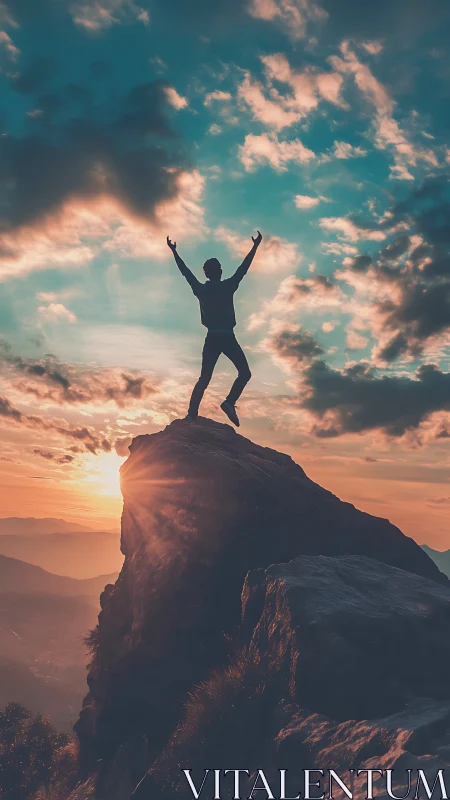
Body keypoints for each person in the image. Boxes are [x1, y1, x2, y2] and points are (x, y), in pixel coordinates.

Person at [166, 231, 263, 427]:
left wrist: (174, 252)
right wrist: (255, 247)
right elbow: (243, 268)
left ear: (207, 273)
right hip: (227, 337)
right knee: (244, 373)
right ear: (217, 271)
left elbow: (185, 272)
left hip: (212, 338)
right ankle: (228, 402)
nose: (220, 269)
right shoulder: (228, 286)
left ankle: (192, 415)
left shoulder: (200, 289)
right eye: (218, 267)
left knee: (205, 378)